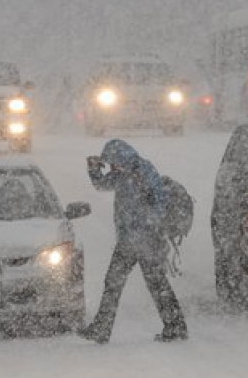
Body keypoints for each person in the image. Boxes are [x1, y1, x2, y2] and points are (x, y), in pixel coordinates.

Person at [80, 139, 187, 344]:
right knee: (147, 283)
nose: (111, 167)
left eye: (112, 162)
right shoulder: (123, 173)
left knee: (126, 282)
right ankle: (175, 326)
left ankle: (103, 329)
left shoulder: (143, 172)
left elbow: (159, 204)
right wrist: (94, 170)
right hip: (131, 239)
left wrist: (144, 227)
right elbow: (102, 185)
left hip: (144, 239)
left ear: (121, 157)